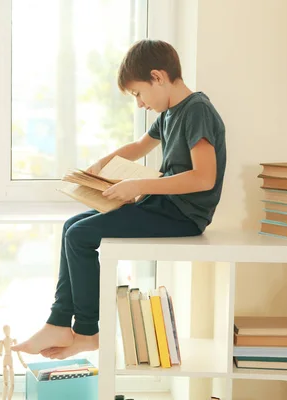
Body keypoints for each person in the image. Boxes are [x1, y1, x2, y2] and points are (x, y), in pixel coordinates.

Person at [12, 39, 227, 360]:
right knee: (72, 226)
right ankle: (59, 321)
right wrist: (101, 166)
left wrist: (139, 185)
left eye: (139, 93)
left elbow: (203, 178)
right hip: (164, 207)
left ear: (158, 76)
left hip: (182, 215)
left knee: (79, 235)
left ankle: (86, 330)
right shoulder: (171, 112)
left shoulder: (196, 110)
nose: (139, 103)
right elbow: (139, 146)